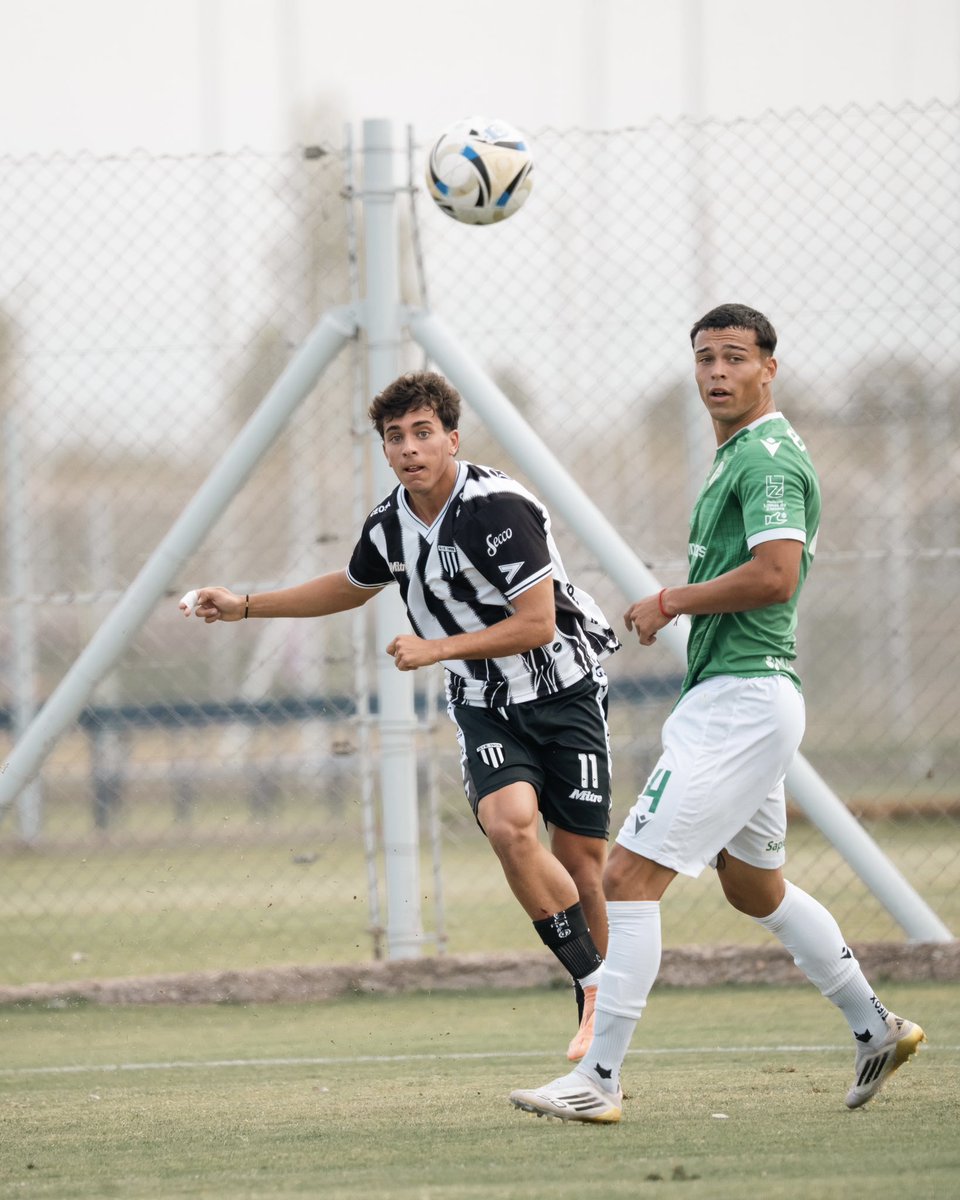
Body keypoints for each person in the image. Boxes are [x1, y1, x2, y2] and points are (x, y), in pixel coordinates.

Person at [509, 303, 926, 1123]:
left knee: (627, 877)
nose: (717, 372)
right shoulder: (737, 454)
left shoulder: (766, 459)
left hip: (741, 701)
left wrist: (670, 599)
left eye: (735, 357)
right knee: (754, 887)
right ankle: (875, 1026)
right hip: (743, 699)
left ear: (770, 367)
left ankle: (599, 1080)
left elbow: (776, 576)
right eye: (705, 358)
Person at [182, 370, 621, 1059]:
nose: (409, 448)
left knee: (582, 867)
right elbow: (350, 585)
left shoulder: (497, 508)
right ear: (384, 448)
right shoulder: (389, 523)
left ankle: (601, 1020)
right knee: (509, 827)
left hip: (564, 692)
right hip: (483, 702)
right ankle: (596, 990)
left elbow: (537, 624)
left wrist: (435, 648)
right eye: (395, 437)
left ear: (452, 439)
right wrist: (243, 605)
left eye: (423, 433)